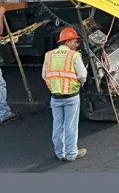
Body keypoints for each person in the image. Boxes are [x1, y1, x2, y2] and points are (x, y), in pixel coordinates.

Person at [43, 27, 88, 162]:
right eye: (75, 42)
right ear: (67, 42)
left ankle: (60, 153)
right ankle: (71, 153)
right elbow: (82, 75)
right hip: (71, 96)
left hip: (55, 96)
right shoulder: (74, 55)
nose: (76, 45)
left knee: (58, 125)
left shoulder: (48, 55)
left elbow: (44, 75)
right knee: (71, 125)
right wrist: (80, 84)